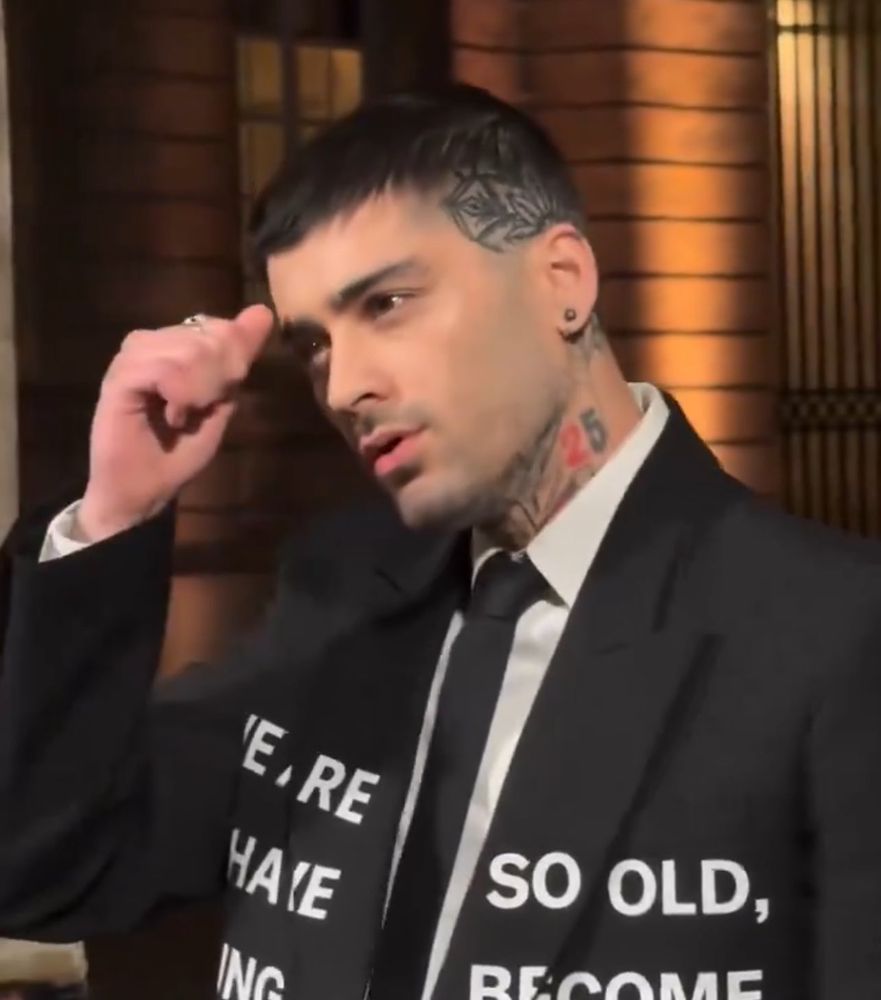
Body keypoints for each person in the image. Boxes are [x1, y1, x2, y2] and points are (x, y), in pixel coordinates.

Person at [0, 84, 879, 1000]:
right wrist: (114, 514)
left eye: (386, 303)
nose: (344, 386)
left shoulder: (833, 632)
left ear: (561, 281)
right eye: (314, 344)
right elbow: (46, 871)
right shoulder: (335, 594)